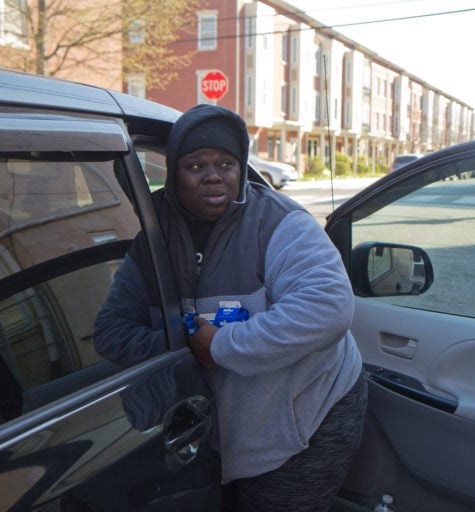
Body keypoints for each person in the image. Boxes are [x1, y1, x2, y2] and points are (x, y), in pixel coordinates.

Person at [94, 104, 367, 512]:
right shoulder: (153, 239)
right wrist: (188, 343)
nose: (214, 175)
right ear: (173, 173)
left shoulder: (279, 222)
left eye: (226, 162)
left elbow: (327, 308)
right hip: (217, 430)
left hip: (309, 415)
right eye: (195, 165)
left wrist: (220, 346)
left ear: (241, 169)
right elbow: (110, 332)